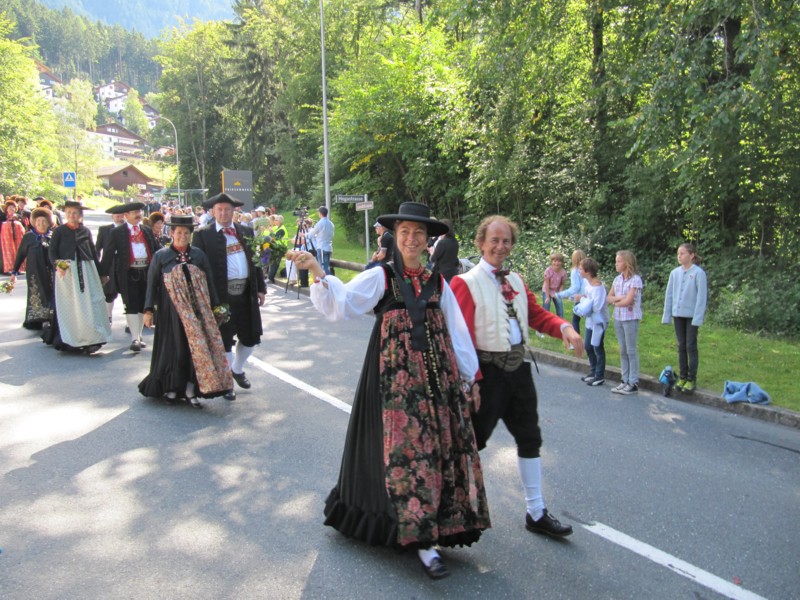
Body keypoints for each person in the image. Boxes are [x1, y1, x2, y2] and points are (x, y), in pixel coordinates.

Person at [289, 202, 490, 579]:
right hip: (392, 383)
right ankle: (418, 538)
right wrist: (318, 270)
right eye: (405, 233)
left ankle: (431, 528)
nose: (412, 240)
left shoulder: (438, 282)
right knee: (404, 451)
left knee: (434, 447)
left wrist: (469, 377)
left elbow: (457, 332)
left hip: (435, 382)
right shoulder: (381, 277)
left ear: (427, 240)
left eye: (418, 234)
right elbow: (343, 304)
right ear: (394, 238)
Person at [450, 215, 583, 541]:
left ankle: (535, 512)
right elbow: (460, 337)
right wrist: (472, 381)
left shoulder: (517, 281)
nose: (500, 246)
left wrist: (564, 327)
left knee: (529, 438)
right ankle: (446, 510)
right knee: (470, 442)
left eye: (506, 240)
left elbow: (535, 316)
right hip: (485, 376)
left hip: (518, 371)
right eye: (494, 240)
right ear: (480, 243)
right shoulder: (465, 283)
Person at [139, 215, 233, 408]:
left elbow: (210, 282)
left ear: (191, 235)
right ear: (171, 233)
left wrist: (217, 307)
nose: (182, 236)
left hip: (197, 311)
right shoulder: (161, 256)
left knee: (195, 349)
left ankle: (190, 389)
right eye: (178, 232)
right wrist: (148, 310)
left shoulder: (198, 255)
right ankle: (173, 386)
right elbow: (151, 285)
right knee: (175, 347)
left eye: (186, 233)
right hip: (170, 312)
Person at [193, 192, 266, 401]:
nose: (224, 213)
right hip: (220, 297)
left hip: (245, 294)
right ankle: (226, 383)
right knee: (224, 340)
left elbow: (255, 261)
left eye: (228, 209)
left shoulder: (246, 231)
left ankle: (237, 368)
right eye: (220, 210)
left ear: (234, 211)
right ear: (213, 212)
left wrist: (260, 288)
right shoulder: (202, 235)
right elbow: (197, 267)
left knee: (251, 337)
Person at [47, 201, 111, 353]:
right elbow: (52, 251)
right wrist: (58, 264)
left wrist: (101, 272)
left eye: (74, 213)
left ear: (80, 215)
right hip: (67, 272)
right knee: (72, 306)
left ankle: (93, 339)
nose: (71, 215)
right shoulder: (59, 231)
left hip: (87, 270)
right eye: (68, 212)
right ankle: (71, 340)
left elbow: (94, 253)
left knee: (91, 304)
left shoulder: (85, 231)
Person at [100, 202, 159, 353]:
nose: (138, 214)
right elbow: (107, 253)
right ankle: (134, 338)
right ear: (126, 215)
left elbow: (156, 249)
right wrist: (103, 273)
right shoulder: (117, 232)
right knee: (131, 304)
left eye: (139, 211)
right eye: (134, 212)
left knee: (142, 304)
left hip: (146, 271)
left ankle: (138, 336)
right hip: (128, 273)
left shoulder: (146, 230)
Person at [662, 243, 707, 394]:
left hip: (691, 316)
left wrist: (698, 318)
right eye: (678, 253)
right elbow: (669, 295)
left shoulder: (698, 273)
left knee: (690, 346)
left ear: (691, 255)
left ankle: (691, 379)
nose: (679, 256)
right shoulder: (674, 273)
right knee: (681, 345)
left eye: (682, 253)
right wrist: (667, 315)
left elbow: (701, 298)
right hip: (678, 314)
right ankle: (682, 376)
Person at [10, 206, 55, 330]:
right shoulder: (28, 237)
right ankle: (36, 319)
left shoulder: (52, 236)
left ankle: (51, 317)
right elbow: (20, 255)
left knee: (50, 292)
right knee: (36, 292)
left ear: (48, 223)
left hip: (50, 271)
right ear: (34, 222)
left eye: (44, 221)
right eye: (38, 221)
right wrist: (14, 272)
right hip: (34, 271)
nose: (41, 224)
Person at [607, 250, 643, 395]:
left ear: (626, 263)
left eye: (619, 261)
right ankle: (624, 379)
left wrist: (618, 301)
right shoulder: (617, 280)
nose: (616, 264)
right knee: (622, 350)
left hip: (630, 319)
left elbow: (629, 301)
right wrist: (620, 299)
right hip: (618, 318)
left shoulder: (635, 280)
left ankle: (633, 382)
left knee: (631, 350)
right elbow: (608, 298)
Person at [574, 257, 609, 386]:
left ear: (588, 271)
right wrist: (583, 299)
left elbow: (596, 307)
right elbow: (588, 300)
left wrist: (582, 301)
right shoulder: (587, 284)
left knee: (597, 347)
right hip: (590, 321)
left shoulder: (598, 287)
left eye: (581, 269)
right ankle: (593, 371)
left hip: (599, 322)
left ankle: (599, 375)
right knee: (588, 346)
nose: (579, 271)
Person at [96, 208, 126, 327]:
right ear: (112, 217)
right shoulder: (104, 230)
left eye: (121, 215)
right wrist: (97, 266)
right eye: (117, 216)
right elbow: (97, 248)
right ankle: (108, 317)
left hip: (124, 264)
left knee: (126, 293)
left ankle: (129, 321)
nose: (119, 218)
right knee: (109, 293)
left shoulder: (128, 229)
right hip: (109, 265)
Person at [557, 250, 587, 335]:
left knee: (575, 319)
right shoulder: (587, 269)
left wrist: (560, 294)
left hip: (579, 297)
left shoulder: (575, 271)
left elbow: (575, 287)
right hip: (588, 295)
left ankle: (575, 339)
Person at [307, 205, 334, 275]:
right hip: (329, 248)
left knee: (322, 269)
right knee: (326, 267)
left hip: (321, 248)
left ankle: (326, 283)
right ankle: (328, 283)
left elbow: (311, 234)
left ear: (320, 213)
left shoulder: (320, 223)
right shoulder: (331, 223)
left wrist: (304, 235)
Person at [1, 199, 25, 274]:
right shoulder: (2, 217)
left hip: (18, 235)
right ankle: (9, 268)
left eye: (13, 207)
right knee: (8, 251)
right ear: (6, 208)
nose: (12, 208)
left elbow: (25, 225)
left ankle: (20, 268)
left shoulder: (19, 217)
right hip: (6, 236)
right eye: (10, 207)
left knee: (19, 250)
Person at [541, 252, 568, 318]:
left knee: (560, 310)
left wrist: (559, 294)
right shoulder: (548, 271)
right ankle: (545, 324)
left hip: (556, 291)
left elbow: (562, 284)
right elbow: (546, 285)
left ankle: (560, 324)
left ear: (562, 262)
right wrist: (547, 297)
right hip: (547, 290)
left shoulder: (563, 272)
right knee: (546, 309)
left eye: (559, 261)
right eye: (555, 261)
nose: (556, 263)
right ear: (552, 262)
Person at [266, 214, 288, 283]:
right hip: (275, 248)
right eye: (275, 220)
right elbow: (270, 237)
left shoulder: (282, 229)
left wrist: (271, 232)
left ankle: (270, 278)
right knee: (272, 262)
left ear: (280, 221)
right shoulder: (277, 228)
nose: (275, 221)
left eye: (276, 220)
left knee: (275, 263)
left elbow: (275, 238)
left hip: (279, 249)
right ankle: (269, 277)